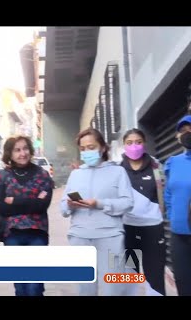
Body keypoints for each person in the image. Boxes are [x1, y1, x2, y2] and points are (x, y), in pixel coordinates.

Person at [60, 128, 133, 296]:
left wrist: (99, 203)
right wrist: (70, 205)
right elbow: (63, 208)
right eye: (83, 149)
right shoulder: (76, 175)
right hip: (79, 237)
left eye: (91, 147)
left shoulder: (118, 172)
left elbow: (128, 203)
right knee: (84, 289)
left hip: (110, 237)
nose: (87, 152)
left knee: (113, 289)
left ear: (102, 148)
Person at [0, 135, 54, 296]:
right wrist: (31, 201)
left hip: (37, 234)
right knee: (20, 287)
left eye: (25, 148)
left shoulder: (42, 174)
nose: (23, 153)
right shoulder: (2, 175)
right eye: (17, 150)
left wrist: (13, 200)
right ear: (10, 154)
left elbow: (42, 206)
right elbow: (0, 207)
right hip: (12, 235)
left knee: (35, 287)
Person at [120, 128, 166, 296]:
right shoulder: (118, 170)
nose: (134, 146)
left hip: (152, 229)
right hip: (126, 230)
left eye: (138, 142)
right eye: (129, 142)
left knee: (155, 276)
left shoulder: (156, 166)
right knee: (127, 276)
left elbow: (165, 191)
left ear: (144, 144)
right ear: (124, 145)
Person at [164, 114, 191, 296]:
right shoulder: (172, 162)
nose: (187, 133)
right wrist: (174, 217)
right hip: (179, 234)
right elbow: (168, 194)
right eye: (183, 130)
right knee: (183, 283)